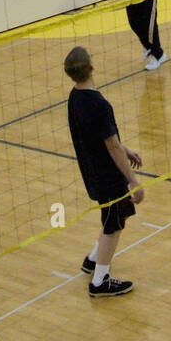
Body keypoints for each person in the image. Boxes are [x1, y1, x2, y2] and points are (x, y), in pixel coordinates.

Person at [65, 46, 144, 298]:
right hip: (106, 175)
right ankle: (100, 281)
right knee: (113, 224)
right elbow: (110, 144)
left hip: (91, 170)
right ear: (92, 67)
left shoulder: (74, 97)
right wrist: (133, 181)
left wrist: (126, 148)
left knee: (116, 216)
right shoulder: (99, 104)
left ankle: (92, 259)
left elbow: (106, 138)